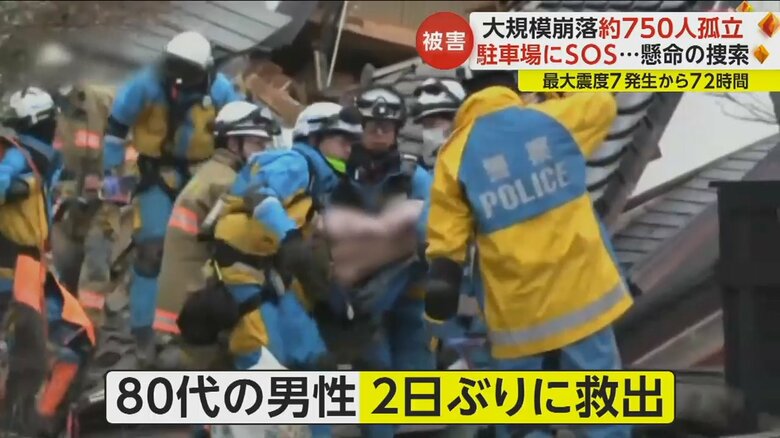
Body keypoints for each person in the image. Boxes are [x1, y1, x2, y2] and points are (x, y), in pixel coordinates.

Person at [423, 67, 631, 438]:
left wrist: (438, 318)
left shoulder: (455, 154)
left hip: (518, 318)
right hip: (583, 298)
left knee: (522, 420)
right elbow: (601, 102)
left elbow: (444, 253)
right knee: (603, 415)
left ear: (466, 87)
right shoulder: (553, 121)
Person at [176, 101, 362, 371]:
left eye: (352, 143)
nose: (348, 149)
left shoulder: (320, 182)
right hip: (242, 272)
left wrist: (329, 290)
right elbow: (261, 193)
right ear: (314, 138)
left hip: (273, 275)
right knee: (263, 359)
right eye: (342, 140)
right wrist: (289, 238)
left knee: (312, 354)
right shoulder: (297, 163)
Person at [100, 30, 242, 359]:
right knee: (151, 249)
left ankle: (185, 327)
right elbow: (116, 129)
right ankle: (143, 330)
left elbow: (240, 126)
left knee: (199, 251)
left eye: (187, 71)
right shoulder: (145, 84)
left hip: (202, 175)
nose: (178, 77)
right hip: (155, 173)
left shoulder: (220, 90)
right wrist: (112, 182)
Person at [0, 87, 95, 436]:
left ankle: (32, 420)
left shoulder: (36, 161)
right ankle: (27, 423)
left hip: (30, 270)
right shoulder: (17, 158)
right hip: (15, 272)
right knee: (44, 349)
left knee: (66, 343)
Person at [155, 101, 278, 368]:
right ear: (233, 144)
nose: (264, 152)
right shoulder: (228, 183)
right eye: (257, 144)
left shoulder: (212, 173)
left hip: (184, 302)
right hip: (199, 306)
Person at [410, 77, 465, 171]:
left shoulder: (480, 158)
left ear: (458, 120)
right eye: (425, 126)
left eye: (433, 124)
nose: (428, 134)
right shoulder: (419, 172)